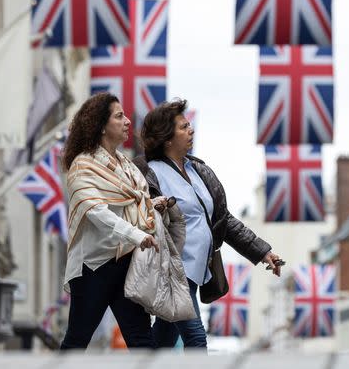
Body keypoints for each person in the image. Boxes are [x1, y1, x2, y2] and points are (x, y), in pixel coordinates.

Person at [135, 99, 282, 350]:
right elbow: (140, 219)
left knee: (162, 341)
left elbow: (224, 221)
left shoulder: (198, 170)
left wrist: (262, 251)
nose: (190, 130)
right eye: (183, 127)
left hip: (197, 269)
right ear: (167, 139)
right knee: (196, 338)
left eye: (189, 125)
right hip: (173, 270)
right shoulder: (150, 173)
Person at [59, 92, 164, 350]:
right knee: (77, 340)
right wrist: (137, 235)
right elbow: (96, 212)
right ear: (101, 125)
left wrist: (153, 205)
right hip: (93, 267)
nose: (128, 121)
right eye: (119, 116)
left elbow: (135, 201)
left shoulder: (127, 166)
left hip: (126, 263)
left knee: (142, 341)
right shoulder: (82, 165)